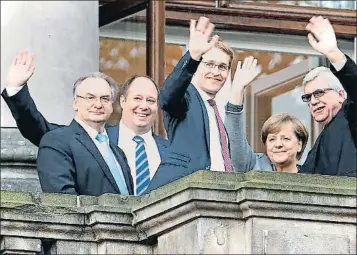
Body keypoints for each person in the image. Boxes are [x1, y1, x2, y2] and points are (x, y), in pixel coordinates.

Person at [2, 51, 168, 195]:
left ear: (112, 105)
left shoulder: (121, 152)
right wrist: (16, 89)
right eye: (90, 97)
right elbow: (36, 127)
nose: (98, 104)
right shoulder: (65, 140)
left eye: (104, 99)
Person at [146, 17, 235, 192]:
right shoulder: (187, 97)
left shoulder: (222, 110)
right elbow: (167, 97)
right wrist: (193, 57)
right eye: (209, 64)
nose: (215, 72)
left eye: (222, 67)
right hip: (181, 196)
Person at [225, 57, 309, 173]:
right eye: (272, 139)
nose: (278, 144)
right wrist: (237, 89)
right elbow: (235, 139)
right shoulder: (254, 166)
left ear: (299, 144)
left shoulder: (310, 173)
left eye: (285, 138)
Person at [299, 16, 356, 177]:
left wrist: (334, 54)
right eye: (308, 97)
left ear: (340, 94)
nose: (313, 101)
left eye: (319, 93)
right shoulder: (316, 149)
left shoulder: (350, 117)